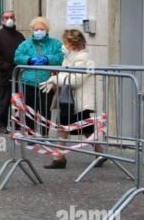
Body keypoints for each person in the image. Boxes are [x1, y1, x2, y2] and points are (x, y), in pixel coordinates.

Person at [41, 29, 105, 169]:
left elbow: (75, 80)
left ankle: (100, 153)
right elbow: (66, 76)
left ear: (73, 43)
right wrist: (55, 81)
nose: (63, 45)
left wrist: (54, 78)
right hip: (69, 99)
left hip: (79, 100)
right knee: (64, 128)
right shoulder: (69, 57)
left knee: (85, 129)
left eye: (65, 42)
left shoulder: (83, 59)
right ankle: (59, 158)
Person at [13, 16, 64, 135]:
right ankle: (31, 134)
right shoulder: (26, 44)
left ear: (46, 30)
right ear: (32, 30)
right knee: (30, 110)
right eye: (36, 29)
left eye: (41, 29)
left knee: (45, 110)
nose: (39, 31)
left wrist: (47, 59)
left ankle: (44, 134)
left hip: (47, 83)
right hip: (28, 82)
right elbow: (17, 57)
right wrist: (29, 60)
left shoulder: (55, 44)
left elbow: (61, 57)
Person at [0, 9, 25, 134]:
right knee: (4, 100)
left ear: (14, 19)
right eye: (6, 17)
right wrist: (6, 67)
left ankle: (17, 124)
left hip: (19, 74)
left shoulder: (20, 36)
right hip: (5, 75)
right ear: (2, 20)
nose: (9, 19)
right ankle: (1, 124)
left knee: (18, 100)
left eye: (11, 17)